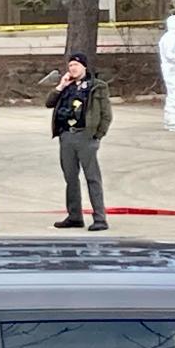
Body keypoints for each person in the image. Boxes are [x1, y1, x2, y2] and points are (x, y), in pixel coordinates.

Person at [46, 52, 113, 232]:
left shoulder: (97, 87)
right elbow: (49, 102)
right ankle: (74, 215)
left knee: (92, 177)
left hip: (86, 136)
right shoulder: (67, 87)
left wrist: (98, 134)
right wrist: (61, 86)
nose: (73, 69)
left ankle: (100, 217)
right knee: (70, 177)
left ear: (84, 66)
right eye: (70, 66)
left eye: (76, 65)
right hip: (67, 135)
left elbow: (106, 114)